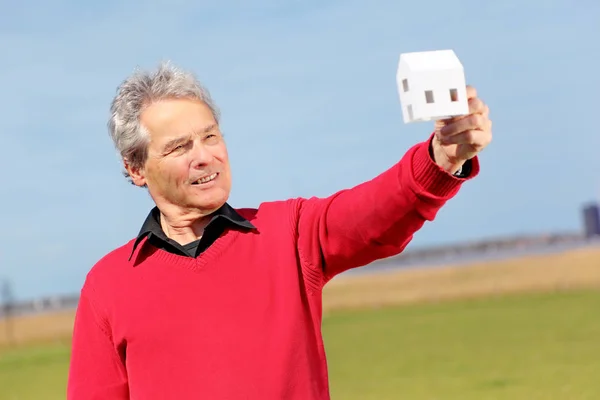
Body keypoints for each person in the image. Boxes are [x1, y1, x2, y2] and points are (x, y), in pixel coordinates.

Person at [67, 61, 492, 399]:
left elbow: (376, 212)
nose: (205, 157)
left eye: (210, 137)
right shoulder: (108, 286)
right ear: (136, 167)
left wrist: (440, 159)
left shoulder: (288, 233)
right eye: (179, 147)